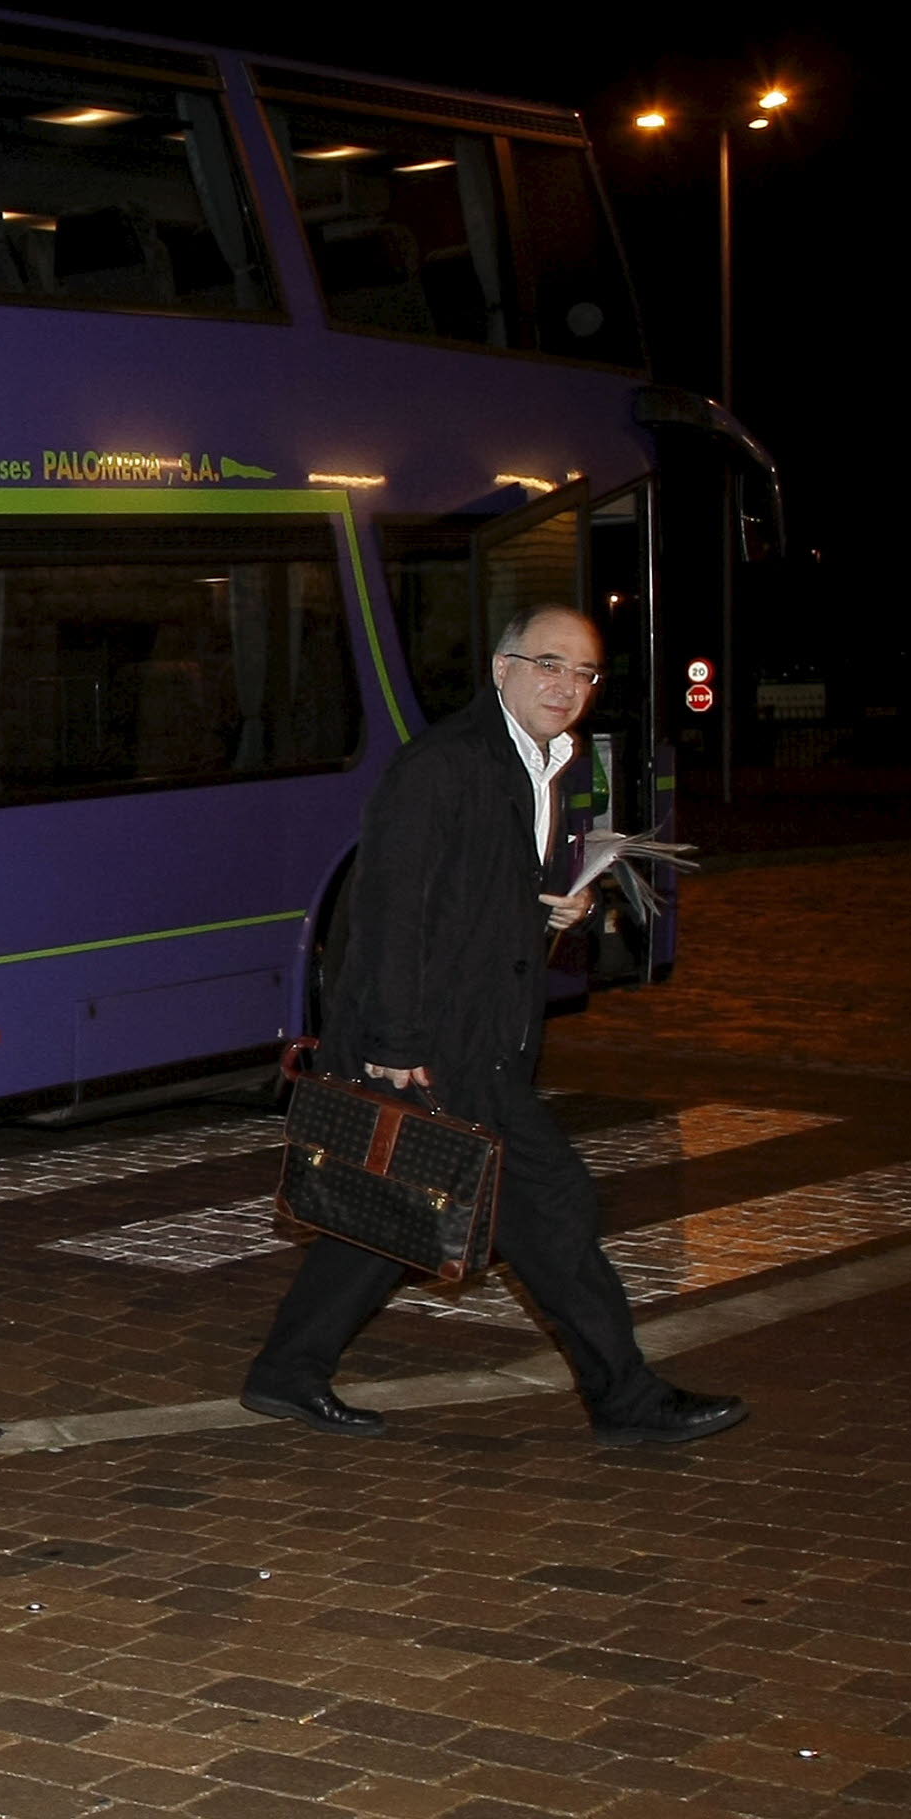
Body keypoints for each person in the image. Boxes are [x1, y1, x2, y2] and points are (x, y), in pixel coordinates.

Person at [242, 605, 747, 1448]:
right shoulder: (444, 765)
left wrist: (566, 908)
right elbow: (388, 913)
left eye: (584, 674)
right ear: (501, 666)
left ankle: (287, 1371)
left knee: (399, 1211)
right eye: (549, 664)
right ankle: (627, 1402)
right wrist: (395, 1045)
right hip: (439, 1045)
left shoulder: (550, 764)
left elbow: (484, 897)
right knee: (549, 1212)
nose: (567, 687)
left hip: (485, 1038)